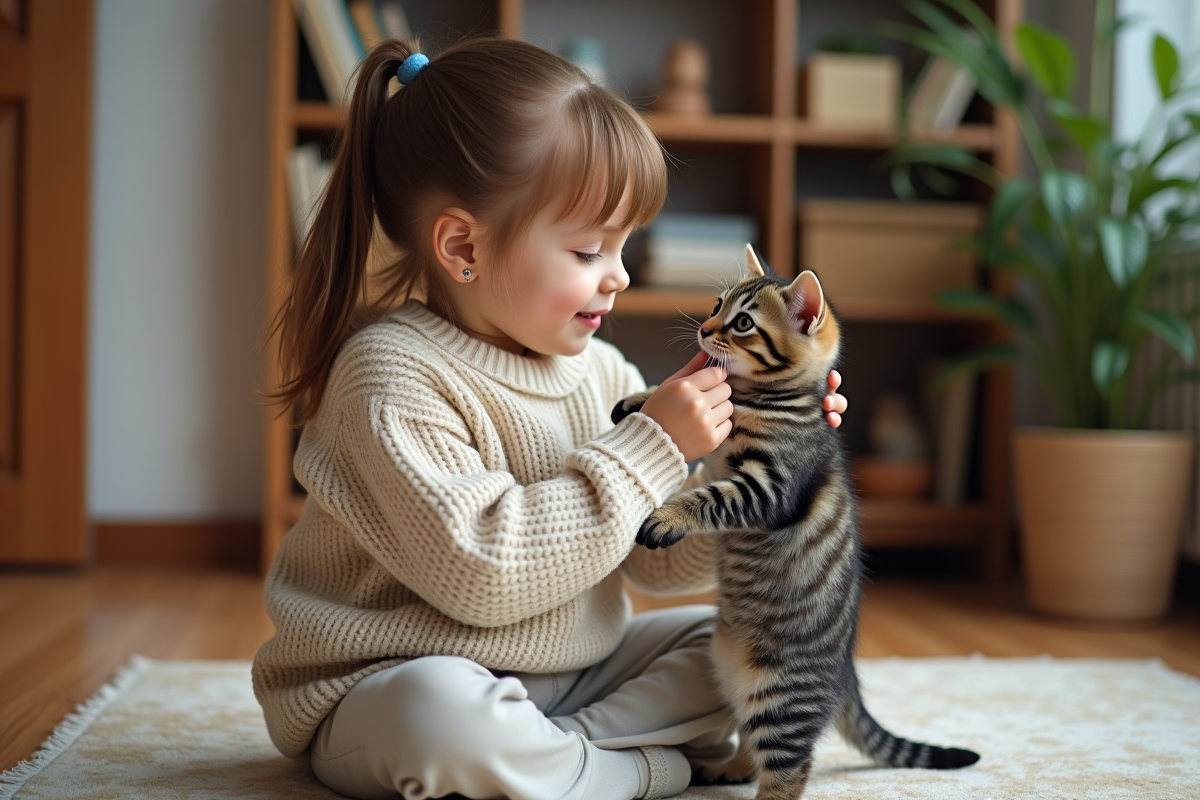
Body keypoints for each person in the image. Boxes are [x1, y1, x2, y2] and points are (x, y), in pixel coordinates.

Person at [253, 36, 849, 800]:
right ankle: (631, 769)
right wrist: (653, 445)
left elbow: (651, 564)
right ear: (463, 246)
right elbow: (481, 575)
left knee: (748, 648)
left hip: (573, 674)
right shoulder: (390, 374)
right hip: (385, 686)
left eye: (625, 246)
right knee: (438, 720)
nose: (621, 275)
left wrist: (755, 467)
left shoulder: (601, 370)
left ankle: (551, 762)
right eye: (589, 249)